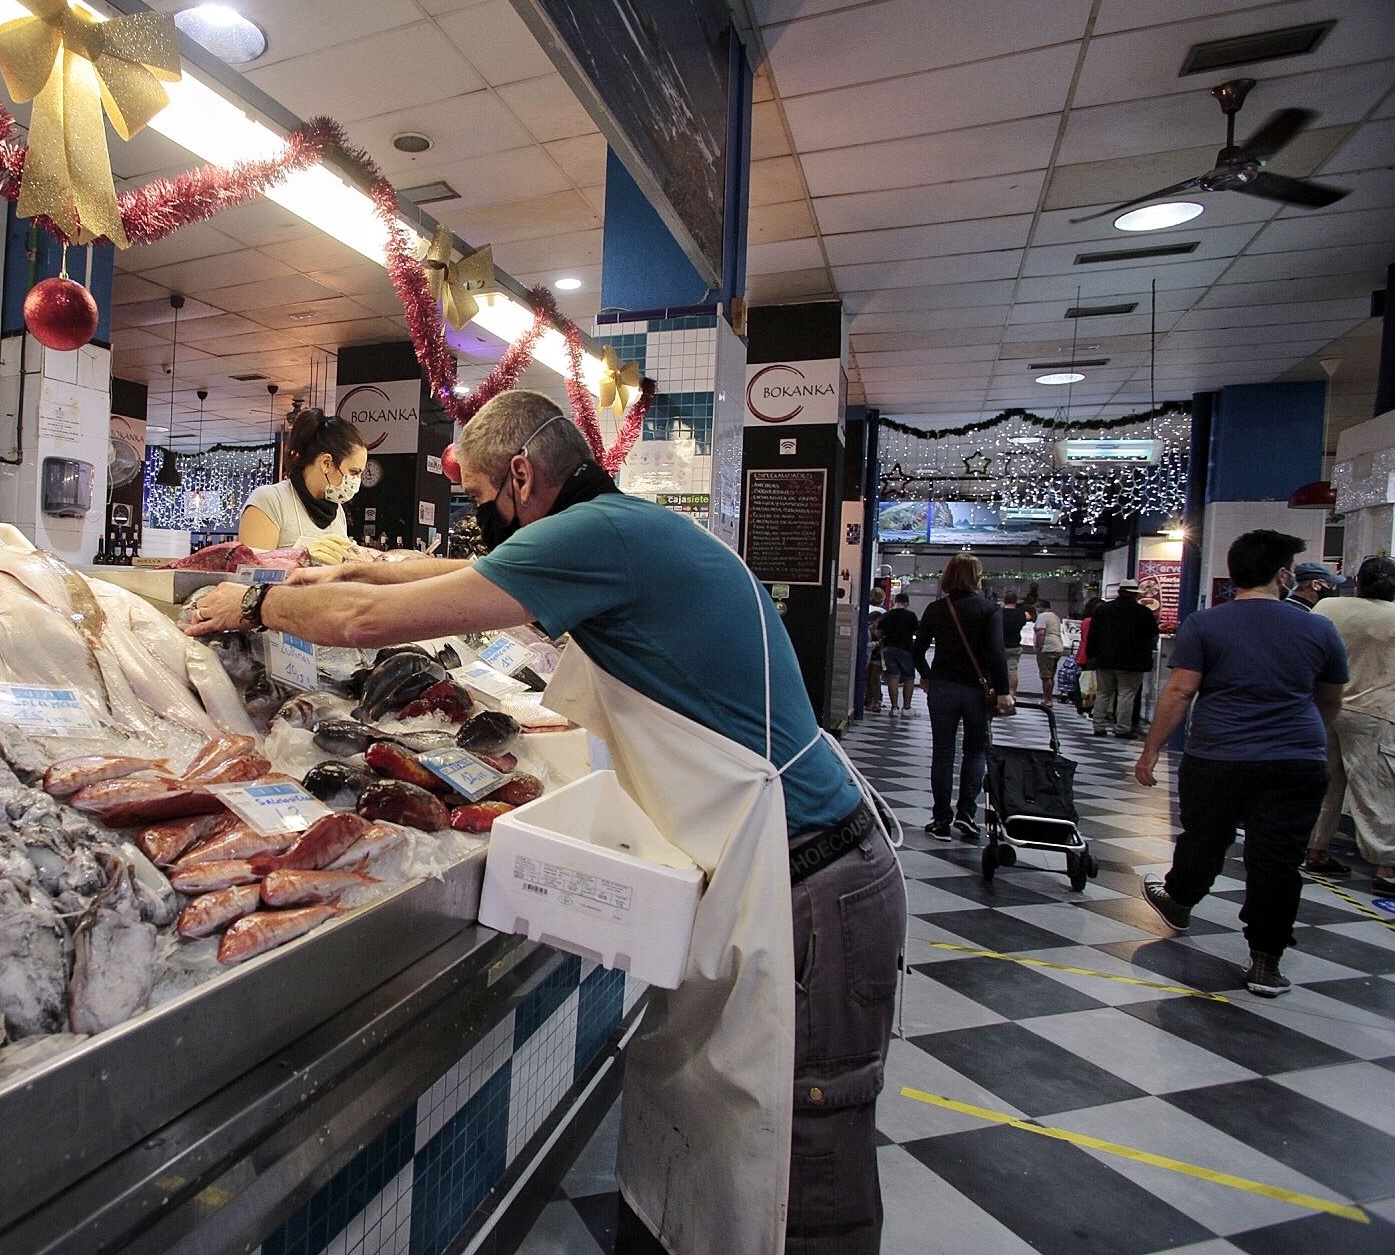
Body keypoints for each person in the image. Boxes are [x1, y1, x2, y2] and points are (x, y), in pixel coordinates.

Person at [188, 390, 904, 1254]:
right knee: (735, 1152)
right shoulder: (617, 529)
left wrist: (256, 608)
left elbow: (371, 625)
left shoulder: (600, 536)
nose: (484, 521)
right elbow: (425, 580)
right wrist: (343, 569)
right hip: (793, 865)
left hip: (811, 883)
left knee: (803, 1167)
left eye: (484, 500)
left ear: (521, 476)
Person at [1136, 530, 1348, 997]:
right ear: (1282, 574)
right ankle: (1266, 961)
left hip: (1218, 755)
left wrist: (1151, 750)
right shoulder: (1318, 628)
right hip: (1295, 760)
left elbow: (1180, 691)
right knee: (1277, 860)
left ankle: (1181, 897)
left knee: (1205, 836)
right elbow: (1330, 699)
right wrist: (1303, 734)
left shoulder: (1205, 625)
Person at [1307, 556, 1395, 892]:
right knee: (1376, 789)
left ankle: (1316, 849)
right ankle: (1386, 868)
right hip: (1375, 711)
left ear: (1357, 581)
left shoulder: (1328, 607)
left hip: (1324, 706)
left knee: (1326, 783)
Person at [914, 554, 1013, 840]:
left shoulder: (935, 609)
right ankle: (967, 815)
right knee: (975, 751)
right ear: (977, 577)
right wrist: (1004, 691)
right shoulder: (989, 610)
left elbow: (917, 651)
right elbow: (996, 654)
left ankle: (941, 818)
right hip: (976, 691)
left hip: (942, 688)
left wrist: (927, 675)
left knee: (943, 753)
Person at [237, 409, 368, 564]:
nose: (357, 480)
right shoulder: (269, 501)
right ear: (326, 463)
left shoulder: (337, 511)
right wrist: (300, 557)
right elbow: (247, 573)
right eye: (353, 472)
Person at [1084, 580, 1160, 738]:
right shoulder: (1143, 612)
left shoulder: (1103, 609)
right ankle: (1122, 728)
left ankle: (1098, 726)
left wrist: (1091, 656)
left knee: (1104, 693)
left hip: (1105, 659)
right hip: (1132, 661)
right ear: (1135, 594)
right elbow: (1152, 634)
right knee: (1126, 694)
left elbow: (1093, 635)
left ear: (1119, 592)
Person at [877, 593, 919, 714]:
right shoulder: (911, 616)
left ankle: (894, 708)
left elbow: (879, 633)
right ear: (906, 603)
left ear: (895, 602)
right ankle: (906, 708)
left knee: (893, 677)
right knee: (909, 678)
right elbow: (917, 631)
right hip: (905, 649)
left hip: (889, 649)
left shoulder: (887, 615)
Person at [1032, 599, 1065, 705]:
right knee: (1050, 675)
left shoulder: (1042, 616)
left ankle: (1047, 700)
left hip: (1047, 648)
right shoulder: (1055, 616)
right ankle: (1048, 698)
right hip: (1057, 647)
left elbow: (1041, 633)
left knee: (1046, 676)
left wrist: (1039, 647)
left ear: (1040, 607)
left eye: (1037, 608)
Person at [1000, 592, 1028, 695]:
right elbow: (1026, 620)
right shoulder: (1020, 614)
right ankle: (1013, 694)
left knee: (999, 670)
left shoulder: (999, 613)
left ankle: (1000, 693)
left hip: (1000, 646)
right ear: (1016, 602)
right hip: (1015, 646)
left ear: (1004, 601)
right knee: (1012, 671)